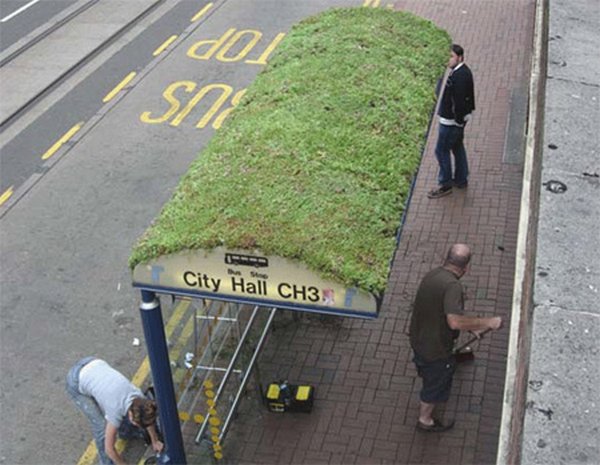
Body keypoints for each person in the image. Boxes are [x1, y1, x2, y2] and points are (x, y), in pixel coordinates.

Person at [409, 244, 502, 432]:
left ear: (447, 258)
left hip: (419, 338)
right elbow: (454, 322)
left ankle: (427, 372)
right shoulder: (453, 286)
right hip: (435, 349)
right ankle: (425, 420)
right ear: (466, 267)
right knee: (435, 384)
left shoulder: (433, 275)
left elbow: (443, 312)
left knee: (427, 367)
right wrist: (488, 323)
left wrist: (471, 329)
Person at [66, 357, 164, 464]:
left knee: (118, 421)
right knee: (101, 429)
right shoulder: (115, 411)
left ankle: (125, 432)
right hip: (76, 380)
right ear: (131, 414)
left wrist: (155, 441)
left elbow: (147, 417)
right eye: (136, 423)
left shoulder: (139, 397)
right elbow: (109, 449)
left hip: (92, 363)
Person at [428, 44, 476, 199]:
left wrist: (457, 120)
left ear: (460, 57)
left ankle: (445, 184)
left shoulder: (459, 76)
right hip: (457, 122)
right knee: (457, 147)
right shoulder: (463, 72)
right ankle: (461, 178)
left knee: (441, 151)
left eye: (451, 56)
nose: (447, 60)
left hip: (450, 123)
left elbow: (459, 102)